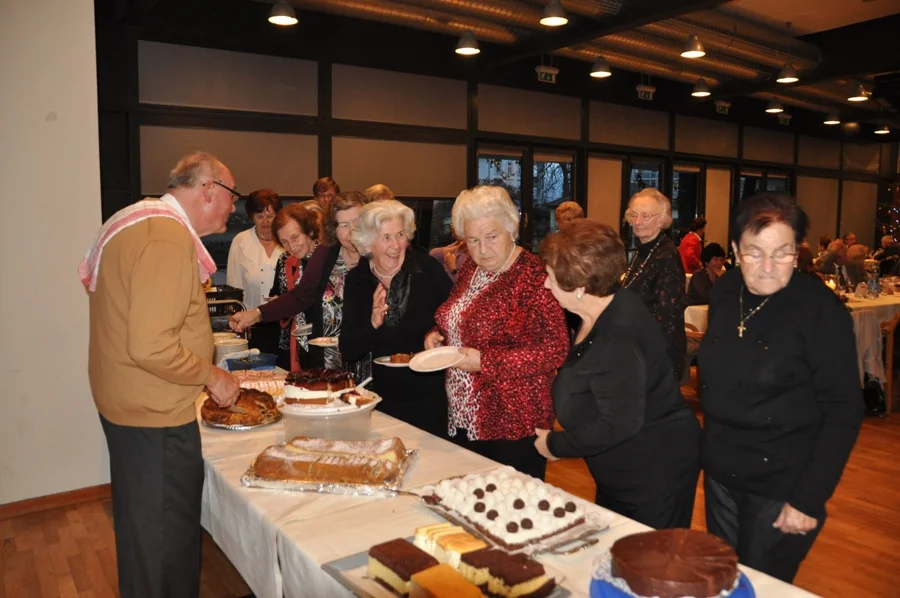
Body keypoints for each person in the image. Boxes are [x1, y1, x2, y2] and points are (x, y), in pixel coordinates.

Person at [80, 151, 240, 597]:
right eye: (231, 195)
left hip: (130, 405)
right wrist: (212, 375)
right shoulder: (167, 237)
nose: (233, 207)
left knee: (144, 538)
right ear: (208, 188)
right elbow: (151, 344)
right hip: (154, 416)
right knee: (165, 545)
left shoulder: (137, 221)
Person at [698, 193, 863, 583]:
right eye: (755, 253)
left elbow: (843, 411)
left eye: (783, 253)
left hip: (782, 482)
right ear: (736, 250)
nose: (769, 268)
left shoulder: (821, 312)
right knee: (725, 580)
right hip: (722, 475)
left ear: (797, 251)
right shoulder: (725, 291)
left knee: (763, 586)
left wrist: (808, 499)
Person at [534, 220, 701, 528]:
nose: (545, 284)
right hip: (626, 464)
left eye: (550, 277)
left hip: (653, 469)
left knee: (644, 561)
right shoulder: (601, 308)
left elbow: (619, 422)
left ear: (581, 287)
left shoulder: (617, 337)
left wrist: (555, 445)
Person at [425, 186, 568, 479]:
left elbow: (556, 348)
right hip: (465, 410)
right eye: (472, 241)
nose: (482, 249)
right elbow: (461, 315)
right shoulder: (472, 270)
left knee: (511, 510)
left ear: (510, 229)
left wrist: (487, 362)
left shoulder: (532, 276)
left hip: (513, 420)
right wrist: (437, 333)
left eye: (492, 237)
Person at [341, 200, 452, 436]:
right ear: (368, 243)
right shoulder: (357, 281)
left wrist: (436, 332)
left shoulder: (427, 270)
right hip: (383, 397)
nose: (396, 245)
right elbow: (349, 350)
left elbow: (455, 317)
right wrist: (372, 323)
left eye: (400, 234)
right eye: (386, 237)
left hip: (431, 392)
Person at [230, 192, 371, 379]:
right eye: (344, 225)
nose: (352, 231)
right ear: (334, 228)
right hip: (329, 360)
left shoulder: (377, 254)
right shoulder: (326, 253)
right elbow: (301, 295)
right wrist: (256, 314)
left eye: (357, 222)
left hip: (369, 356)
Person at [622, 188, 687, 382]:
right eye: (634, 215)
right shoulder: (642, 251)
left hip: (656, 355)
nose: (638, 221)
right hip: (636, 349)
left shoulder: (666, 255)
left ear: (662, 220)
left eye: (646, 216)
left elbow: (668, 315)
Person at [226, 188, 284, 354]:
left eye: (270, 216)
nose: (265, 221)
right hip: (253, 326)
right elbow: (234, 287)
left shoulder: (287, 239)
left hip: (285, 324)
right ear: (252, 217)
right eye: (259, 216)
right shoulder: (241, 241)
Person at [270, 201, 325, 371]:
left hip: (324, 343)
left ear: (309, 231)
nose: (292, 246)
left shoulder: (326, 259)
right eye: (284, 241)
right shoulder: (285, 260)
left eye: (295, 237)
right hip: (295, 340)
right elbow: (280, 292)